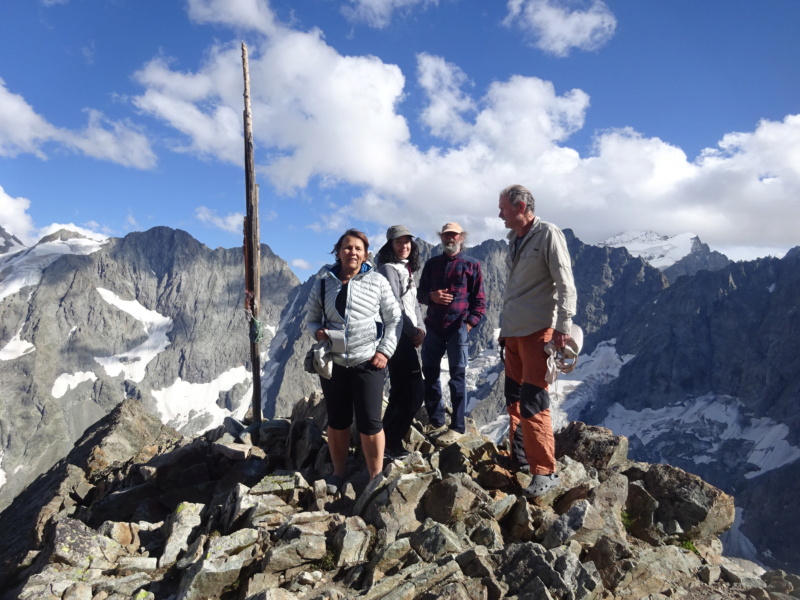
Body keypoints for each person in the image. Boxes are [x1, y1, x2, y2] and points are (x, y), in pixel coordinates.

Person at [305, 229, 401, 490]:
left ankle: (375, 477)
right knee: (337, 420)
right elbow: (312, 318)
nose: (353, 252)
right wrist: (318, 331)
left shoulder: (378, 281)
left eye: (358, 248)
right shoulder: (324, 281)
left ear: (366, 254)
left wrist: (384, 352)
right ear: (338, 251)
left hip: (368, 361)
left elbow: (394, 320)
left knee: (371, 422)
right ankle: (338, 473)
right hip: (334, 363)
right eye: (348, 248)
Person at [497, 184, 577, 498]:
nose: (499, 213)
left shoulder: (548, 234)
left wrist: (562, 326)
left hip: (536, 333)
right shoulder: (515, 240)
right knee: (514, 400)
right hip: (513, 333)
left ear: (519, 206)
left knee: (533, 402)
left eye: (502, 207)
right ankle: (521, 459)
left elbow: (565, 282)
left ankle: (545, 472)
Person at [417, 222, 486, 445]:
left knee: (457, 378)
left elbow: (480, 301)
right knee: (430, 374)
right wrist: (432, 297)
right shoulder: (431, 264)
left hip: (458, 329)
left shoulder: (472, 265)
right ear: (441, 237)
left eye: (454, 235)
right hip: (434, 327)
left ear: (461, 238)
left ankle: (457, 426)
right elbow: (420, 294)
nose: (450, 239)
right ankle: (436, 421)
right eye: (446, 235)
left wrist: (468, 325)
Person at [376, 225, 426, 459]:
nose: (404, 246)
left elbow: (413, 303)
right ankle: (391, 442)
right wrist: (411, 331)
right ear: (390, 245)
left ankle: (386, 443)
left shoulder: (405, 269)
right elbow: (394, 305)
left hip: (405, 334)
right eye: (398, 242)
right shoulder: (388, 269)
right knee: (414, 390)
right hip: (396, 336)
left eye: (407, 241)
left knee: (400, 390)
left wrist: (421, 329)